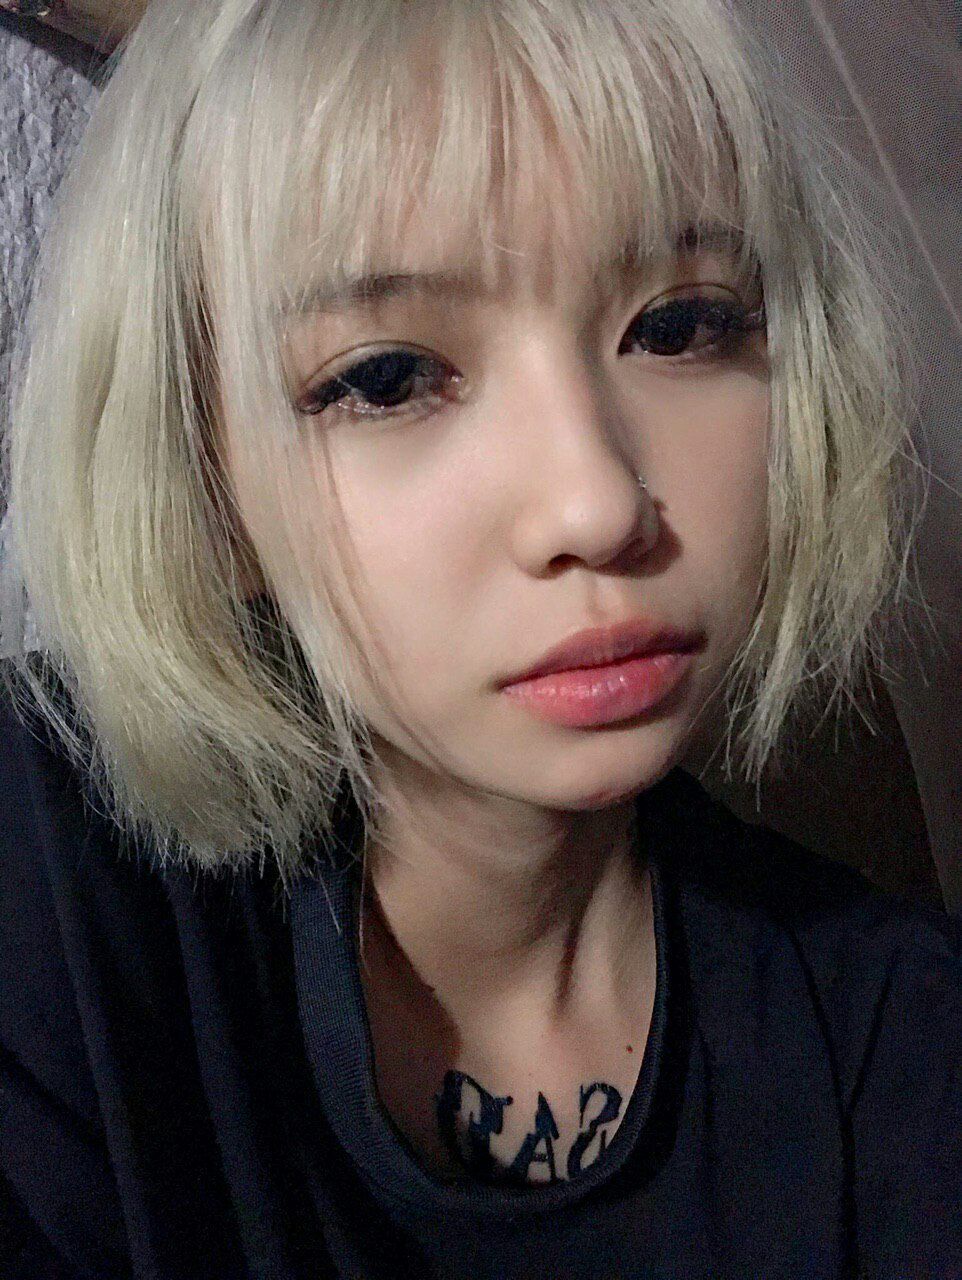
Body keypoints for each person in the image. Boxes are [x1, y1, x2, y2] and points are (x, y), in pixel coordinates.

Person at [0, 0, 959, 1276]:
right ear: (206, 479)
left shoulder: (896, 1049)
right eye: (387, 376)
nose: (594, 502)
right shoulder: (48, 877)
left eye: (679, 325)